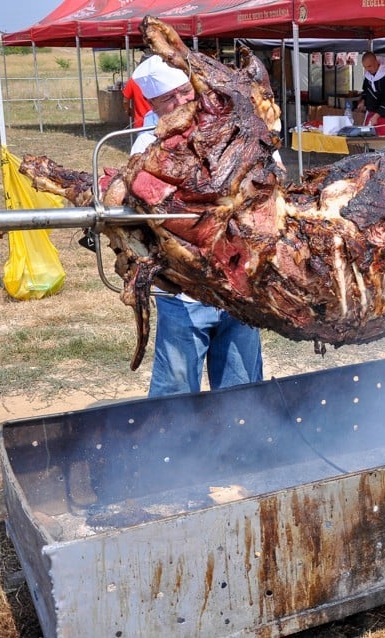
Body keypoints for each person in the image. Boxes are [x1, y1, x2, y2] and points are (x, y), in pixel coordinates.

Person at [130, 55, 264, 396]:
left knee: (242, 383)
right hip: (184, 288)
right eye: (167, 100)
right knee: (177, 387)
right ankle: (172, 445)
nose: (180, 103)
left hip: (239, 276)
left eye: (183, 92)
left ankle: (241, 442)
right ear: (153, 104)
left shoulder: (225, 124)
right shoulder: (147, 144)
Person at [356, 51, 385, 139]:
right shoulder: (368, 76)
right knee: (368, 142)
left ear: (376, 62)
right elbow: (365, 91)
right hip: (371, 114)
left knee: (382, 145)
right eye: (365, 67)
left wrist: (376, 116)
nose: (367, 69)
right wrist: (363, 101)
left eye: (369, 66)